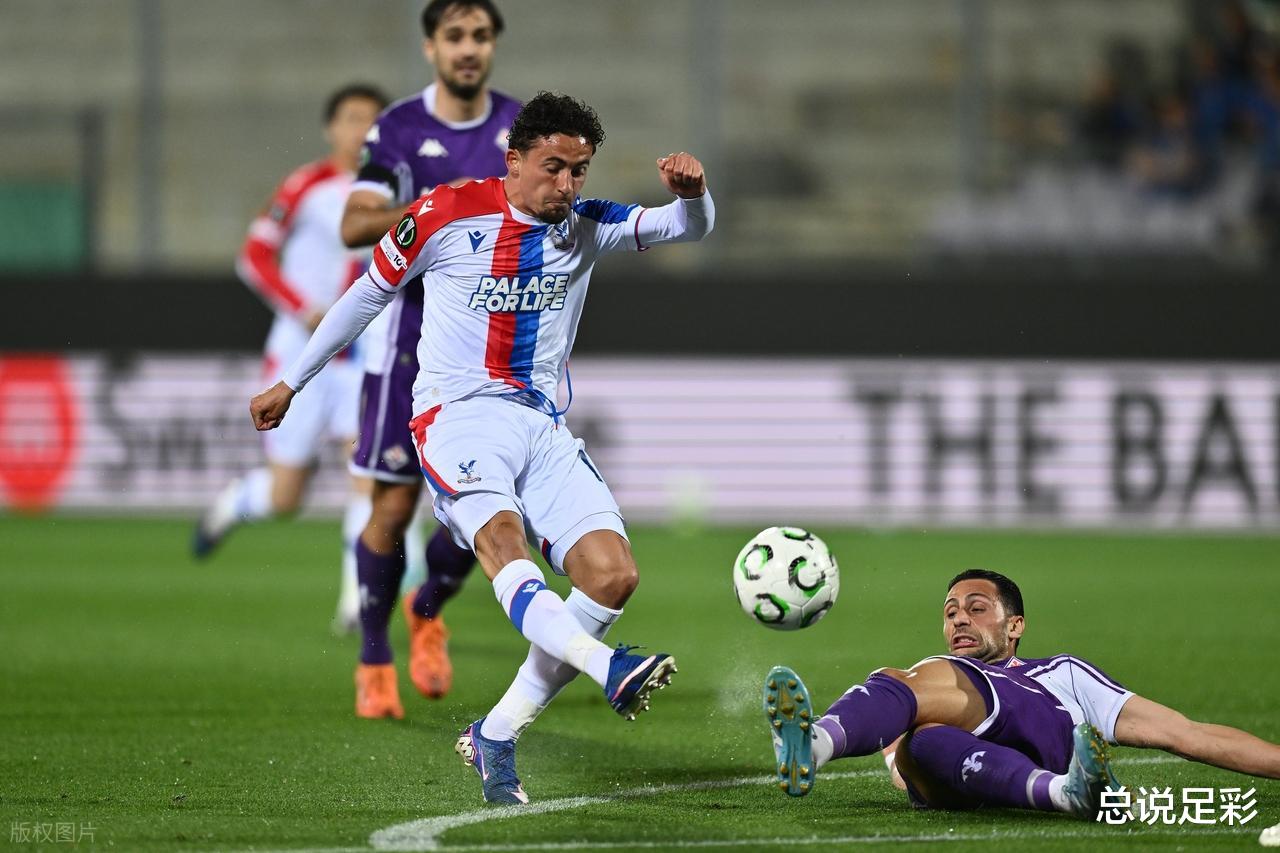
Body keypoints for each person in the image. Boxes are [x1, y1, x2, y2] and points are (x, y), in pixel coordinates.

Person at [250, 91, 715, 804]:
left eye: (580, 171)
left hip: (541, 426)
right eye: (554, 168)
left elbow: (687, 227)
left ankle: (495, 734)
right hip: (457, 418)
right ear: (515, 160)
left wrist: (694, 193)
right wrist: (293, 381)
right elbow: (367, 296)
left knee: (612, 575)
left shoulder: (588, 225)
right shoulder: (445, 212)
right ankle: (606, 666)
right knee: (502, 543)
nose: (567, 185)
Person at [340, 0, 522, 718]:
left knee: (486, 510)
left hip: (497, 352)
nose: (468, 49)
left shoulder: (521, 128)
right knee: (392, 505)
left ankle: (427, 607)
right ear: (431, 48)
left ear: (493, 45)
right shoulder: (399, 129)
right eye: (455, 37)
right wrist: (437, 209)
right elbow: (354, 223)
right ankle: (374, 657)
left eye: (480, 36)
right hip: (409, 347)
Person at [766, 569, 1280, 818]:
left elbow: (1187, 734)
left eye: (976, 608)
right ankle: (1065, 795)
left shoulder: (1063, 674)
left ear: (1015, 626)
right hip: (973, 778)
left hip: (1040, 732)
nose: (959, 619)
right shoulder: (913, 697)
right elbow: (907, 777)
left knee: (907, 680)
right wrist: (905, 760)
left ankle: (815, 743)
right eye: (950, 613)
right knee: (921, 742)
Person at [193, 83, 389, 633]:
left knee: (366, 472)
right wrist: (303, 309)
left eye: (373, 120)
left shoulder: (399, 191)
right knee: (286, 497)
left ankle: (356, 600)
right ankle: (236, 502)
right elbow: (254, 256)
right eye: (352, 118)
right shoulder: (306, 185)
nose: (363, 129)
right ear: (331, 128)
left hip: (365, 353)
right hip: (300, 352)